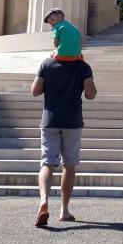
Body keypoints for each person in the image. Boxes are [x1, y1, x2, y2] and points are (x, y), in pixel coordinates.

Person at [30, 51, 96, 227]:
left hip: (50, 120)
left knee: (47, 163)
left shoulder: (47, 64)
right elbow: (91, 94)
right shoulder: (83, 67)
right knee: (69, 165)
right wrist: (84, 75)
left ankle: (44, 200)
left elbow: (35, 91)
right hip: (72, 121)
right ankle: (64, 211)